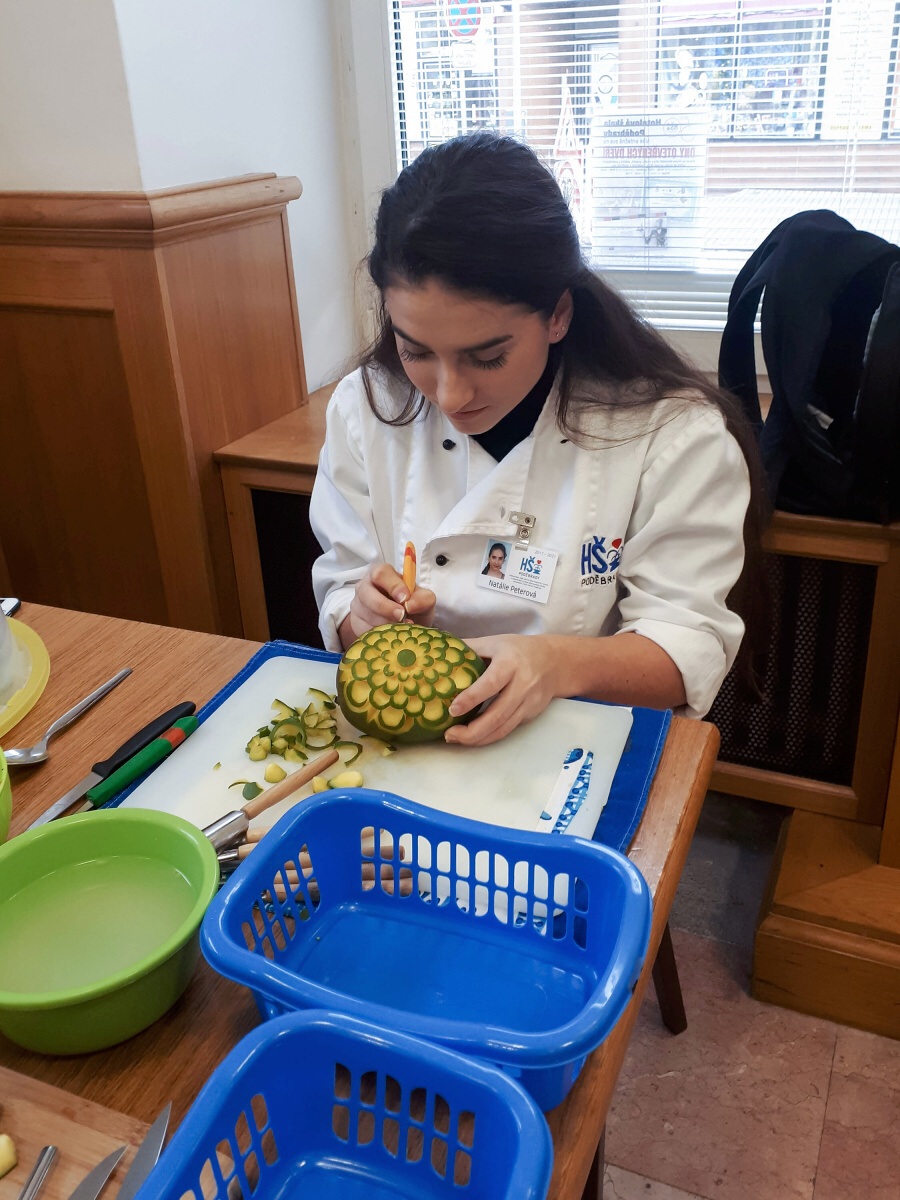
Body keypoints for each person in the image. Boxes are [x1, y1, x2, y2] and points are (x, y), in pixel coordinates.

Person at [310, 132, 764, 748]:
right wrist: (362, 618)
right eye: (415, 350)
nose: (449, 395)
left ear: (558, 314)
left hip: (577, 742)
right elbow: (342, 589)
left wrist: (556, 664)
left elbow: (685, 647)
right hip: (407, 744)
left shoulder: (672, 436)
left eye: (487, 356)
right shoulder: (367, 407)